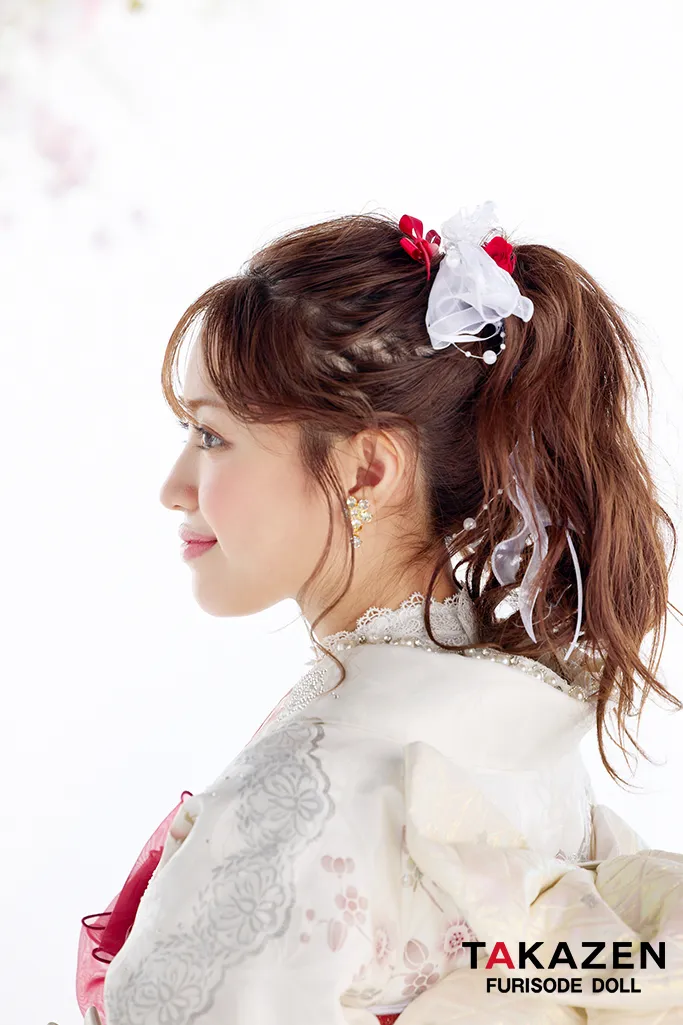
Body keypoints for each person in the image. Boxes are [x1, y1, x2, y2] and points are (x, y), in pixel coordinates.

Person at [74, 201, 683, 1024]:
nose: (173, 488)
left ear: (366, 469)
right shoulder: (521, 707)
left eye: (211, 437)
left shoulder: (308, 789)